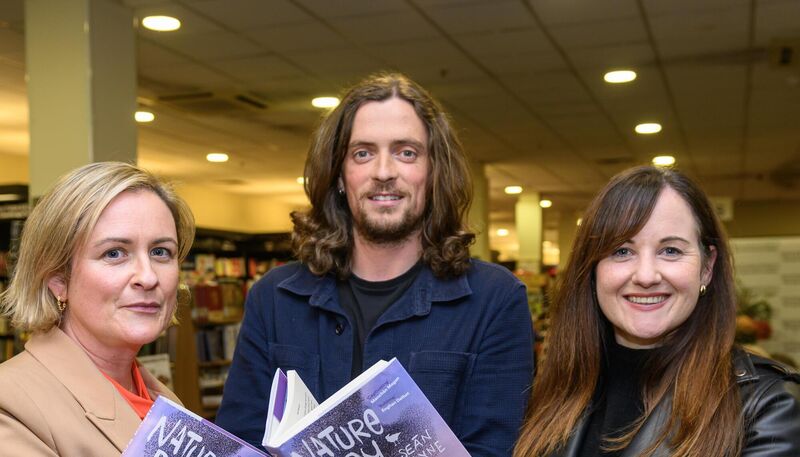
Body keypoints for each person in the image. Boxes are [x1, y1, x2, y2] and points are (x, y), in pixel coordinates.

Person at [216, 72, 534, 455]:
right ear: (338, 175)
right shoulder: (274, 298)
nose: (384, 172)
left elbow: (497, 448)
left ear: (433, 173)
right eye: (363, 153)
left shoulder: (494, 300)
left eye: (406, 152)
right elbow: (238, 443)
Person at [513, 166, 800, 457]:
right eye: (622, 251)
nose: (646, 276)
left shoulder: (765, 405)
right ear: (592, 268)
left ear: (707, 267)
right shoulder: (554, 391)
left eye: (671, 251)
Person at [0, 162, 195, 455]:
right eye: (114, 253)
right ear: (58, 279)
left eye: (160, 252)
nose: (148, 276)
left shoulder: (164, 400)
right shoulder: (11, 403)